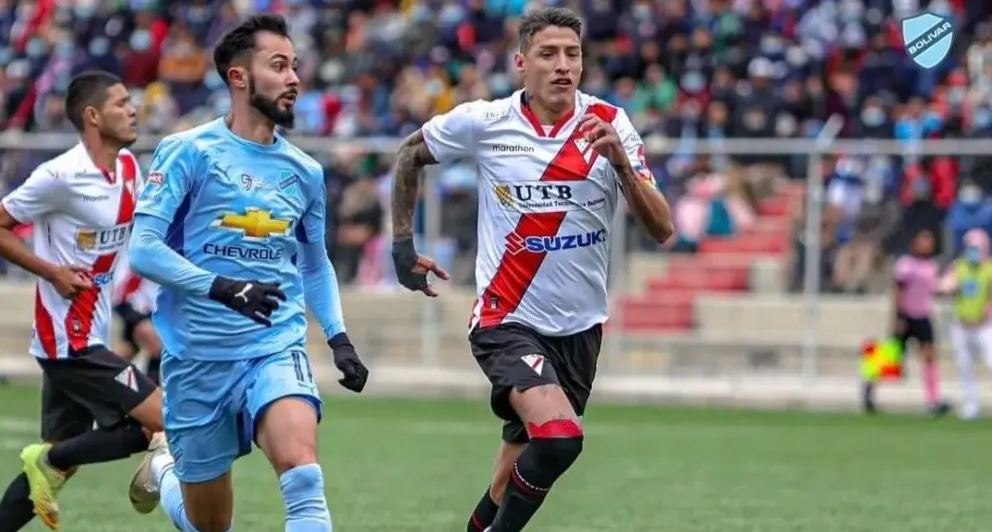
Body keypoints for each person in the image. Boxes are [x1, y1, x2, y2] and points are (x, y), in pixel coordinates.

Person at [388, 8, 674, 532]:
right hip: (507, 319)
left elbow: (662, 228)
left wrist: (621, 165)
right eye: (548, 54)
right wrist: (403, 246)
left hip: (580, 329)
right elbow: (409, 155)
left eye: (573, 54)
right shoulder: (486, 122)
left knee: (506, 482)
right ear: (521, 63)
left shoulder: (610, 123)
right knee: (560, 440)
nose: (563, 65)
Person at [126, 15, 369, 532]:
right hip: (196, 359)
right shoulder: (189, 151)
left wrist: (339, 336)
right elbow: (143, 250)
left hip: (273, 345)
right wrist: (223, 287)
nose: (294, 79)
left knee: (303, 477)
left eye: (295, 66)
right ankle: (165, 471)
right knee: (210, 526)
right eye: (278, 66)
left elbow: (314, 262)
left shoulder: (305, 172)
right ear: (239, 77)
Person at [0, 71, 164, 532]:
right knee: (162, 421)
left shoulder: (129, 167)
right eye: (121, 103)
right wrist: (51, 271)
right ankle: (48, 459)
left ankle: (47, 464)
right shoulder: (59, 176)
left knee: (57, 468)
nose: (132, 110)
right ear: (93, 115)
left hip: (93, 331)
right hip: (67, 341)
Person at [863, 228, 950, 416]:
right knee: (892, 356)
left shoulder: (931, 266)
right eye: (923, 241)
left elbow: (932, 289)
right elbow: (899, 291)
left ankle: (933, 400)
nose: (927, 245)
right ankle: (869, 385)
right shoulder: (906, 265)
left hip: (923, 315)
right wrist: (899, 317)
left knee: (929, 355)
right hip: (907, 316)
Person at [937, 228, 992, 419]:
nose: (973, 252)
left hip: (984, 326)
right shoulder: (960, 266)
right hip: (961, 325)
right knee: (964, 367)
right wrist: (947, 285)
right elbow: (944, 284)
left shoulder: (989, 269)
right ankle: (971, 405)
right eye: (970, 247)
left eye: (976, 247)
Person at [111, 257, 163, 383]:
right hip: (131, 304)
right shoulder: (144, 251)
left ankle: (108, 384)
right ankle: (151, 392)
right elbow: (123, 286)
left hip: (154, 309)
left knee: (128, 350)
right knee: (156, 345)